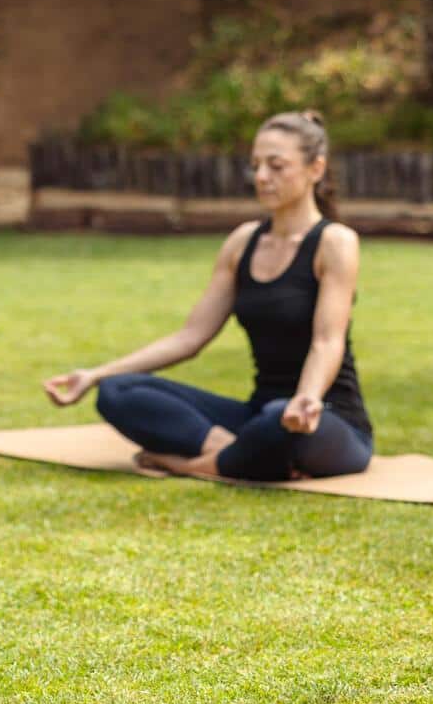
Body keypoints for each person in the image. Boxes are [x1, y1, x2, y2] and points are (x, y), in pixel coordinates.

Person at [42, 111, 374, 482]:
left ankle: (188, 464)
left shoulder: (335, 243)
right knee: (117, 392)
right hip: (260, 413)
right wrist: (94, 375)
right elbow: (190, 337)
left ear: (316, 169)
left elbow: (327, 340)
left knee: (281, 423)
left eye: (276, 166)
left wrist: (308, 397)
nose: (262, 177)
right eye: (256, 166)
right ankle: (233, 452)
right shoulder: (242, 242)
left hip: (325, 417)